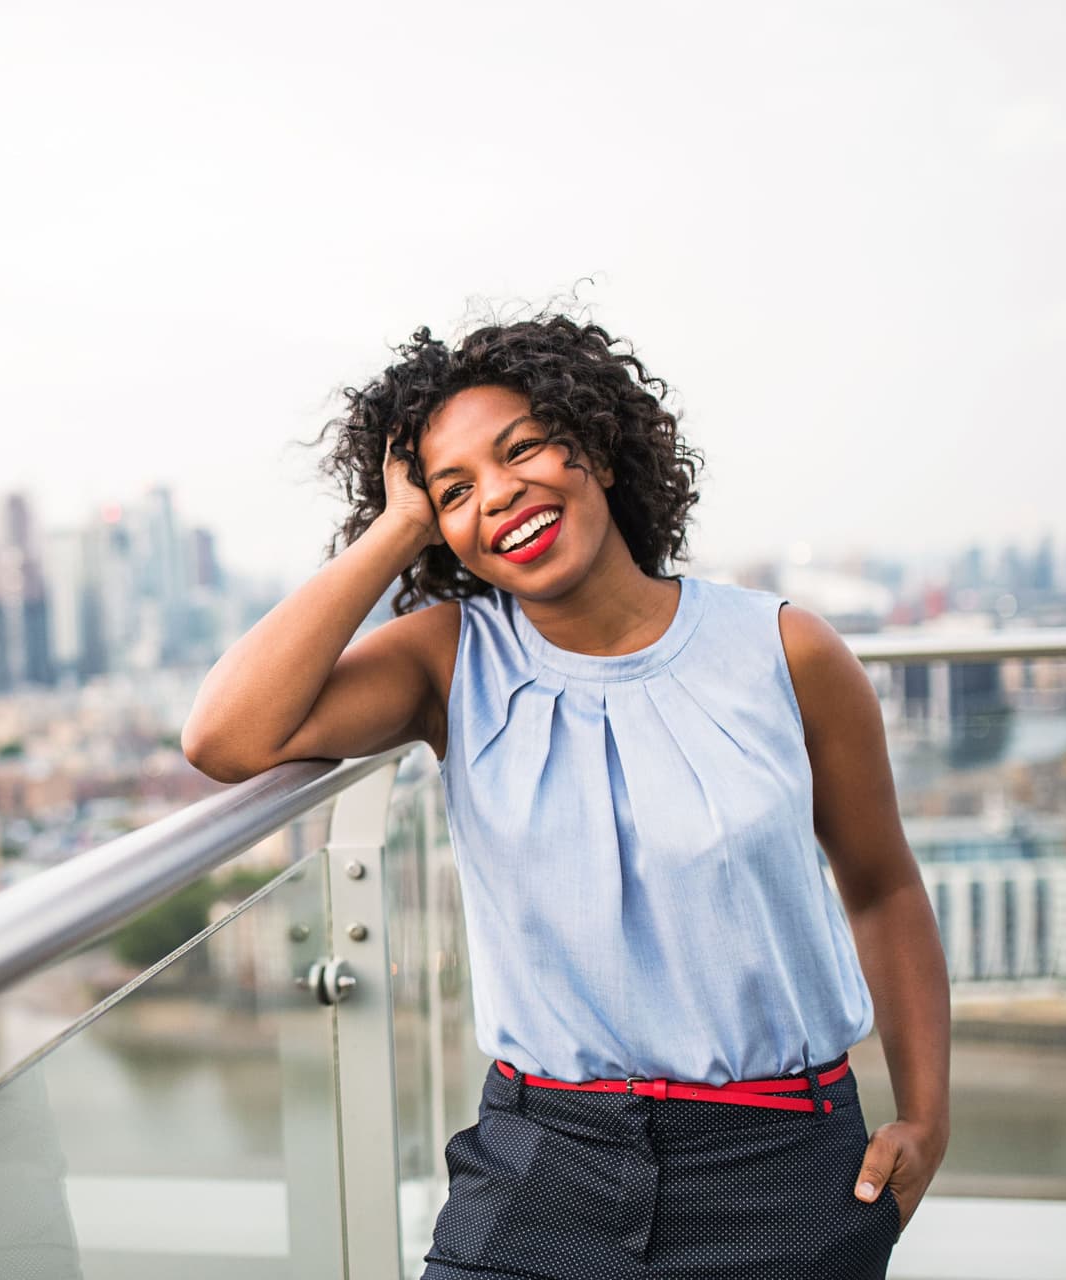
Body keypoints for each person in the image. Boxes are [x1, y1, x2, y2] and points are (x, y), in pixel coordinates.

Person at [181, 312, 950, 1279]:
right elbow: (224, 735)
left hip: (781, 1168)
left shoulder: (787, 652)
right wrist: (397, 527)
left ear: (601, 448)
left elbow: (882, 886)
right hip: (539, 1164)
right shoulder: (450, 658)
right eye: (456, 489)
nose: (499, 496)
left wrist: (928, 1115)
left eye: (523, 450)